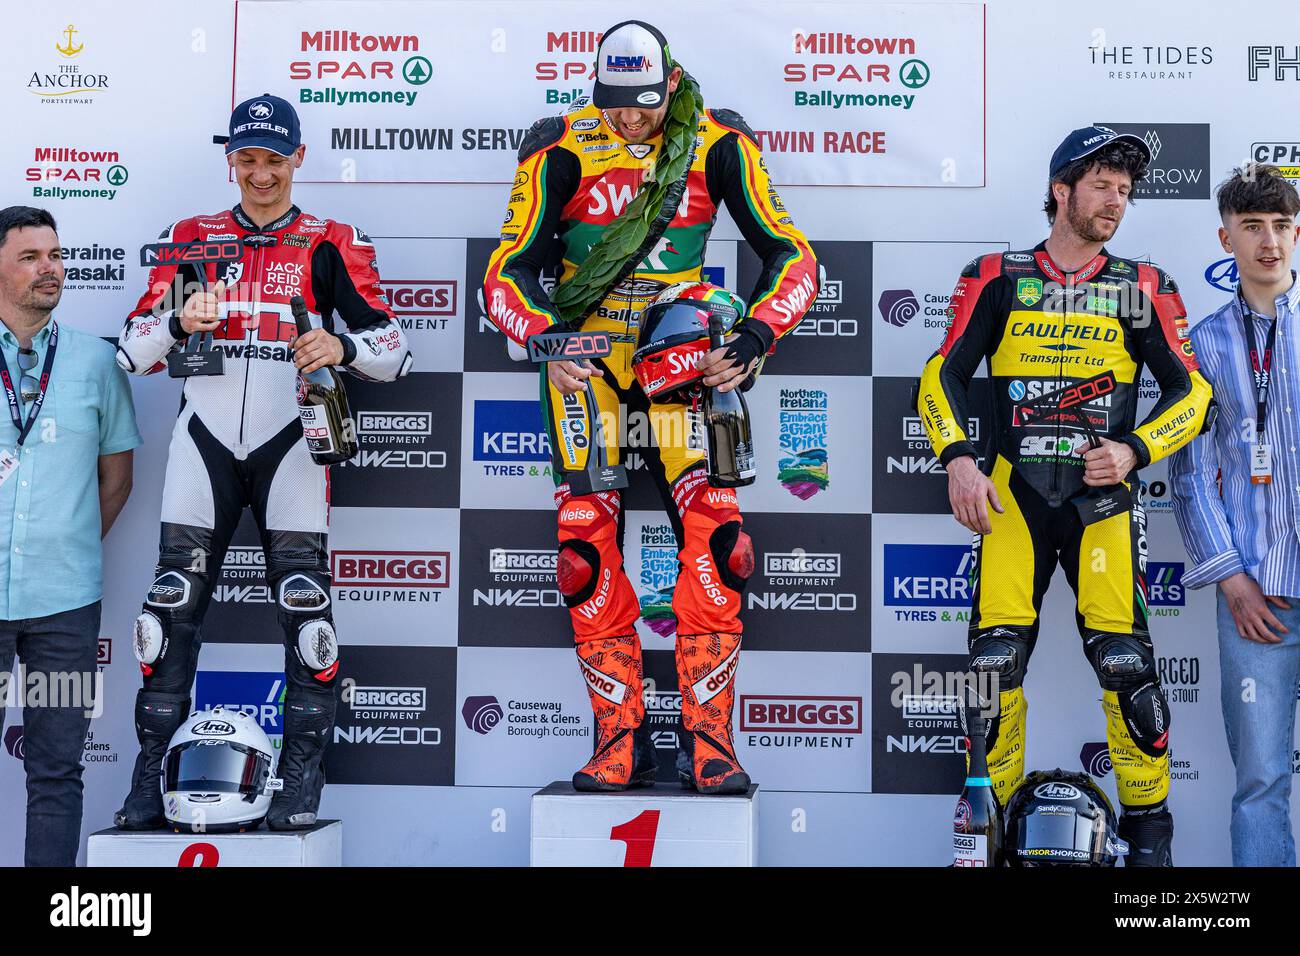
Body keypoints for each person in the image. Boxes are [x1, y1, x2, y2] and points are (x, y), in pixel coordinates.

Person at [482, 20, 816, 793]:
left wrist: (759, 334)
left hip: (680, 359)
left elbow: (793, 255)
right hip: (588, 365)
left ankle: (710, 742)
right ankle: (618, 742)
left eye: (643, 105)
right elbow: (506, 271)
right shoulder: (558, 143)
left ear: (670, 83)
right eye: (615, 106)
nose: (630, 121)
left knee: (721, 543)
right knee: (582, 557)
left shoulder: (716, 140)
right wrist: (541, 338)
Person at [916, 126, 1215, 865]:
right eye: (1104, 185)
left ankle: (1149, 852)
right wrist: (957, 459)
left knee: (1128, 670)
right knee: (992, 671)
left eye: (1125, 189)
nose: (1118, 200)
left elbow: (1193, 392)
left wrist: (1135, 447)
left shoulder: (1141, 286)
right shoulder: (998, 275)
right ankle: (984, 847)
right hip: (1012, 498)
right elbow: (943, 375)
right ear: (1061, 190)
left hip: (1102, 507)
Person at [114, 94, 412, 831]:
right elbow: (133, 349)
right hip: (204, 440)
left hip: (293, 442)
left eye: (274, 159)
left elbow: (395, 350)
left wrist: (341, 348)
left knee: (308, 610)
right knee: (167, 611)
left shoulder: (329, 241)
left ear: (298, 159)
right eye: (247, 158)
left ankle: (301, 780)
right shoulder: (193, 239)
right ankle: (151, 780)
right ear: (231, 161)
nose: (260, 172)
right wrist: (179, 318)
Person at [1169, 164, 1300, 866]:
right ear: (1227, 238)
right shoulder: (1203, 343)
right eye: (1252, 227)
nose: (1268, 242)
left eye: (1280, 226)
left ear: (1297, 232)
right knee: (1261, 780)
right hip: (1257, 599)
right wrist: (1231, 578)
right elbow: (1188, 473)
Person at [0, 206, 139, 865]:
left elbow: (117, 480)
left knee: (56, 771)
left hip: (64, 611)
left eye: (54, 255)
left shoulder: (94, 361)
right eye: (30, 257)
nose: (49, 268)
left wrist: (69, 543)